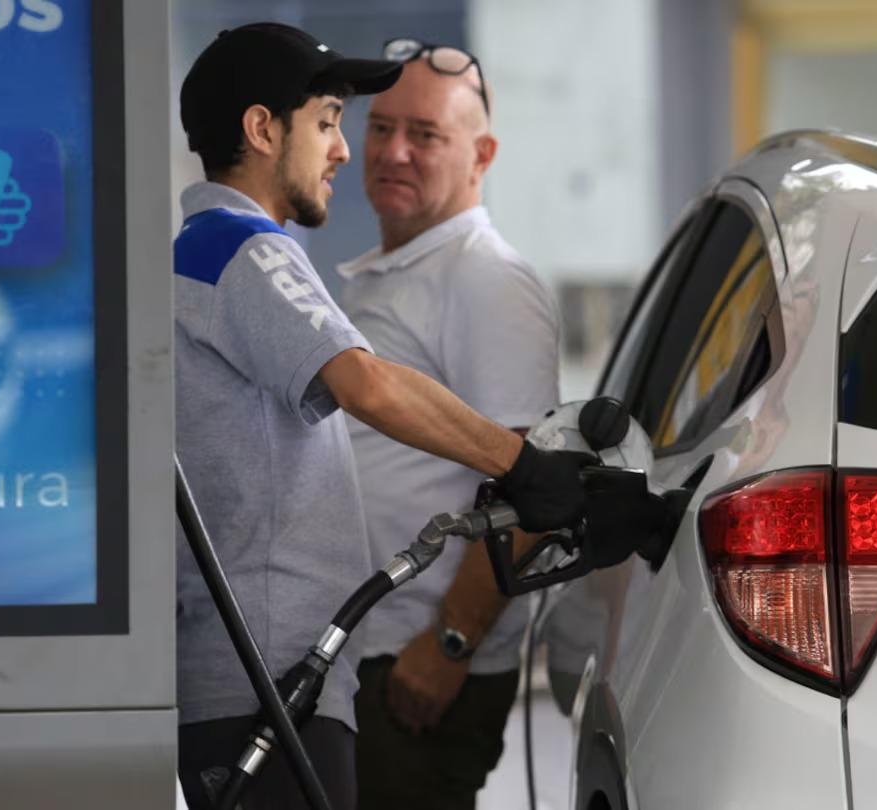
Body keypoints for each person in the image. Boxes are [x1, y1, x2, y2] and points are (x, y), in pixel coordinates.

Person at [173, 24, 588, 810]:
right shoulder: (244, 250)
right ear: (262, 130)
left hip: (283, 667)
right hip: (266, 670)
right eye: (329, 122)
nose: (344, 149)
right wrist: (526, 469)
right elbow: (366, 383)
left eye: (420, 133)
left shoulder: (215, 250)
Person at [338, 41, 558, 810]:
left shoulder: (486, 279)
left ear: (481, 155)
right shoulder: (396, 272)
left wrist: (450, 645)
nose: (392, 151)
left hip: (417, 669)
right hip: (367, 655)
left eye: (424, 135)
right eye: (380, 127)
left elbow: (531, 492)